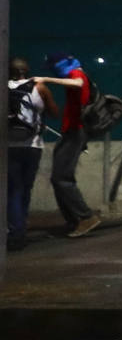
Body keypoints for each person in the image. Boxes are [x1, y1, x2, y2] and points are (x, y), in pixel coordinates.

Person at [41, 54, 101, 237]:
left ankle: (85, 217)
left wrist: (46, 79)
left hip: (76, 130)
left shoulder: (77, 73)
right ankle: (73, 220)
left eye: (53, 66)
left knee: (62, 178)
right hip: (72, 130)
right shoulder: (75, 73)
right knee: (59, 177)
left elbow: (78, 84)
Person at [7, 59, 50, 251]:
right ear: (28, 71)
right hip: (33, 145)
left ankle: (16, 232)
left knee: (12, 190)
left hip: (9, 146)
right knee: (25, 188)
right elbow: (54, 111)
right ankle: (20, 228)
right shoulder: (39, 87)